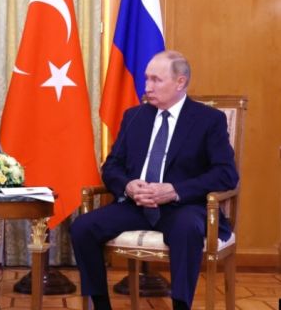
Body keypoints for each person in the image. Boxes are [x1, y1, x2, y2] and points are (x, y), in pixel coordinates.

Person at [70, 50, 238, 310]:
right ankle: (101, 306)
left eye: (156, 80)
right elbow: (111, 166)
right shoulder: (135, 116)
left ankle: (180, 306)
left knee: (186, 229)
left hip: (182, 207)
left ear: (180, 82)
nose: (147, 87)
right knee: (82, 227)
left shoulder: (208, 120)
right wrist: (128, 186)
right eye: (146, 78)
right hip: (136, 205)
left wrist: (175, 190)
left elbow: (226, 173)